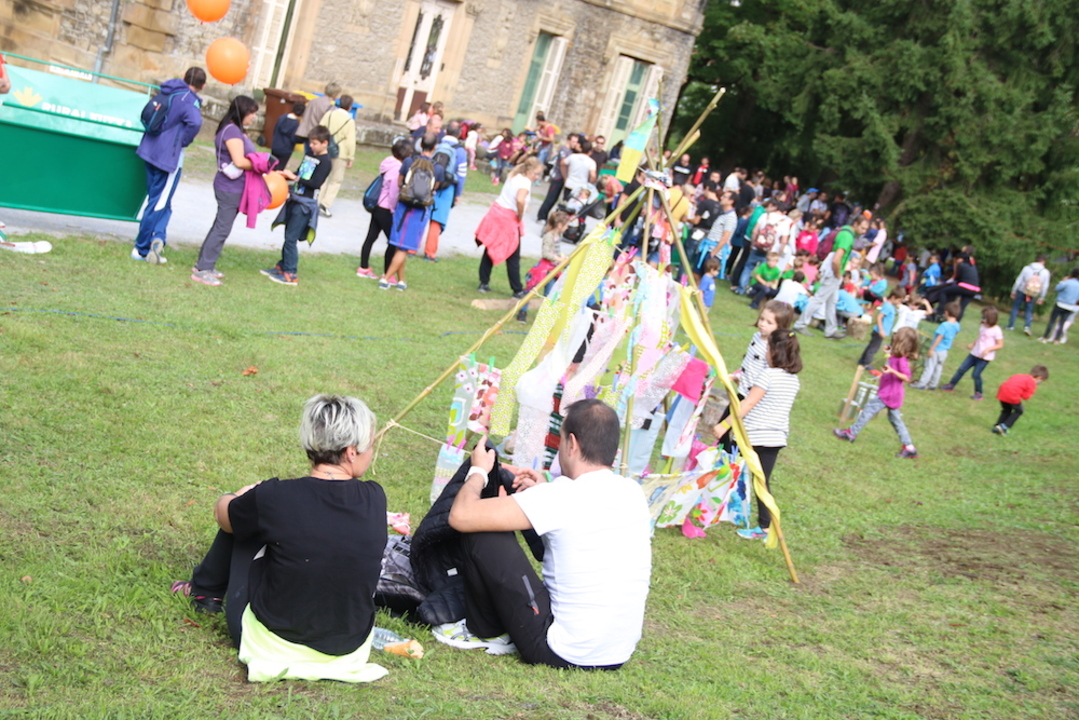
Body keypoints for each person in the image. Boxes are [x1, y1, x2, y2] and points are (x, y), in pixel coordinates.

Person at [173, 394, 387, 683]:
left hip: (271, 646)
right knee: (254, 517)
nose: (371, 453)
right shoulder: (375, 497)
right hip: (348, 650)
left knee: (244, 519)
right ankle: (207, 589)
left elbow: (224, 517)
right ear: (351, 452)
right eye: (371, 446)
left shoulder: (274, 496)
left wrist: (238, 497)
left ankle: (205, 591)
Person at [436, 400, 652, 669]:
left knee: (483, 531)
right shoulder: (632, 492)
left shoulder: (561, 496)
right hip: (616, 653)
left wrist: (478, 471)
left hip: (558, 650)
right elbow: (575, 529)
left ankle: (486, 631)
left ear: (572, 444)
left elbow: (462, 516)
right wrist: (541, 491)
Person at [714, 329, 802, 540]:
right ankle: (765, 526)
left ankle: (714, 506)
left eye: (768, 349)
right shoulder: (793, 380)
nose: (765, 353)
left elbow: (748, 403)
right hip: (775, 439)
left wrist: (724, 425)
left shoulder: (768, 375)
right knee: (762, 482)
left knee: (728, 467)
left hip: (753, 437)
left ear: (775, 352)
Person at [133, 67, 206, 265]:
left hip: (149, 149)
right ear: (203, 86)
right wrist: (183, 141)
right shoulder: (189, 100)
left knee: (160, 199)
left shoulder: (168, 90)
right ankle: (141, 248)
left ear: (183, 77)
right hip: (167, 157)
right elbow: (195, 123)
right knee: (158, 203)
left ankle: (159, 236)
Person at [191, 95, 259, 286]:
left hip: (233, 186)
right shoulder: (232, 132)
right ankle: (203, 269)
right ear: (242, 112)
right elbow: (239, 161)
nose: (254, 117)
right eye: (252, 113)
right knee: (222, 228)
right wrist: (261, 164)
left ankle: (204, 264)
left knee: (220, 226)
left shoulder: (236, 130)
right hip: (230, 187)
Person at [834, 327, 920, 459]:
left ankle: (851, 433)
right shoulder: (896, 356)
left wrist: (892, 371)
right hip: (892, 393)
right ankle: (909, 448)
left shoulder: (902, 359)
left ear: (902, 341)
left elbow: (906, 377)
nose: (894, 336)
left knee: (868, 410)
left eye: (897, 335)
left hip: (889, 394)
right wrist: (888, 354)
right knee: (895, 420)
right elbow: (891, 363)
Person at [260, 126, 328, 286]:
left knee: (291, 238)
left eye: (315, 143)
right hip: (294, 199)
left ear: (325, 143)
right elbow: (300, 173)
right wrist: (286, 176)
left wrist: (295, 178)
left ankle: (291, 273)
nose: (311, 146)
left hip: (305, 205)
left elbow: (315, 183)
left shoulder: (326, 162)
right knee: (287, 235)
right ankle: (282, 266)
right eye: (310, 143)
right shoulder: (310, 155)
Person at [380, 132, 444, 291]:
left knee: (400, 245)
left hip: (403, 206)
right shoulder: (438, 168)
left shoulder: (409, 161)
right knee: (404, 246)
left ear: (420, 145)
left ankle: (401, 280)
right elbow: (434, 189)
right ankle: (385, 278)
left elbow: (400, 181)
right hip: (420, 211)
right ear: (435, 147)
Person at [476, 157, 544, 296]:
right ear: (529, 171)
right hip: (508, 217)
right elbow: (520, 199)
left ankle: (484, 282)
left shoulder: (515, 175)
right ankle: (517, 289)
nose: (537, 177)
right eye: (536, 174)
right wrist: (520, 213)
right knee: (513, 253)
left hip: (497, 212)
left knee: (491, 246)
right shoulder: (525, 182)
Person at [793, 215, 868, 338]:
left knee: (831, 302)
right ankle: (800, 324)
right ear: (856, 224)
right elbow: (836, 259)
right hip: (834, 272)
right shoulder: (847, 236)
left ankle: (830, 329)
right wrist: (838, 274)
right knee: (818, 299)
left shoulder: (844, 231)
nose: (864, 231)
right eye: (862, 228)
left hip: (833, 272)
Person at [356, 138, 412, 279]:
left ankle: (363, 267)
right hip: (386, 208)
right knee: (392, 242)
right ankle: (388, 274)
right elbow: (393, 193)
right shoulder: (397, 169)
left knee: (371, 237)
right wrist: (393, 210)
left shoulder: (388, 162)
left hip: (377, 205)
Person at [424, 120, 468, 261]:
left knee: (422, 215)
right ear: (459, 134)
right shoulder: (461, 151)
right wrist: (458, 194)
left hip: (430, 183)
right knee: (437, 220)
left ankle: (411, 248)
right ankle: (430, 252)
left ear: (446, 131)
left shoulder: (436, 144)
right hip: (447, 187)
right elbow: (461, 176)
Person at [940, 305, 1004, 400]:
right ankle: (951, 385)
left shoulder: (996, 330)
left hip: (984, 357)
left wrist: (988, 349)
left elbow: (1000, 345)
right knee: (962, 369)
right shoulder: (983, 325)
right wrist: (973, 343)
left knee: (976, 374)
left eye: (985, 317)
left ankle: (979, 393)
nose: (983, 319)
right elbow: (981, 337)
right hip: (974, 353)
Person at [314, 95, 356, 218]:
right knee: (336, 179)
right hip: (341, 152)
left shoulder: (329, 114)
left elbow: (320, 129)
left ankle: (317, 200)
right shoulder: (349, 121)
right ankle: (325, 204)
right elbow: (350, 141)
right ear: (350, 107)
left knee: (323, 176)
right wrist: (350, 157)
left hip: (325, 148)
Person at [911, 302, 962, 390]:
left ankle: (922, 384)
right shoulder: (957, 325)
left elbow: (939, 337)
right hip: (944, 351)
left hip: (937, 349)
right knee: (938, 367)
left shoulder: (944, 325)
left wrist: (931, 349)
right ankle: (933, 384)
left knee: (929, 366)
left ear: (947, 313)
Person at [858, 287, 906, 369]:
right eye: (899, 300)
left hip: (880, 331)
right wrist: (881, 330)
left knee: (871, 346)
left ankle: (862, 360)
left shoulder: (891, 306)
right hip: (879, 332)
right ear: (893, 297)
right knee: (873, 348)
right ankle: (867, 363)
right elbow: (879, 317)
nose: (899, 302)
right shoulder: (888, 306)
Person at [993, 366, 1049, 435]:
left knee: (1006, 410)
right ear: (1039, 378)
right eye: (1041, 381)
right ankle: (1005, 426)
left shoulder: (1019, 375)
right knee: (1019, 411)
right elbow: (1026, 397)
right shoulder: (1032, 383)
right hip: (1012, 395)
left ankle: (997, 426)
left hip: (1002, 393)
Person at [1006, 254, 1051, 334]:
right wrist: (1042, 297)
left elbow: (1018, 280)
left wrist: (1014, 291)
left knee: (1015, 308)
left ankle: (1011, 325)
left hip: (1022, 290)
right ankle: (1027, 327)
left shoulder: (1027, 268)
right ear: (1043, 261)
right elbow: (1045, 286)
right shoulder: (1045, 272)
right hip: (1032, 293)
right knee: (1029, 310)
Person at [294, 82, 340, 156]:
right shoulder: (329, 107)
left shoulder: (313, 101)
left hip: (306, 132)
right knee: (315, 157)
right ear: (335, 94)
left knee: (308, 155)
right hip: (317, 135)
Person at [1040, 267, 1079, 344]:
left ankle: (1045, 337)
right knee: (1062, 323)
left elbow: (1057, 288)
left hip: (1060, 304)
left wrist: (1063, 281)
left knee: (1052, 321)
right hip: (1070, 306)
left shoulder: (1067, 282)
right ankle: (1056, 340)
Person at [269, 101, 304, 174]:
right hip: (286, 150)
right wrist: (302, 140)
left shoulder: (282, 117)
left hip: (276, 146)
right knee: (279, 170)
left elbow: (275, 130)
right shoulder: (296, 124)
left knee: (271, 166)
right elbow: (293, 138)